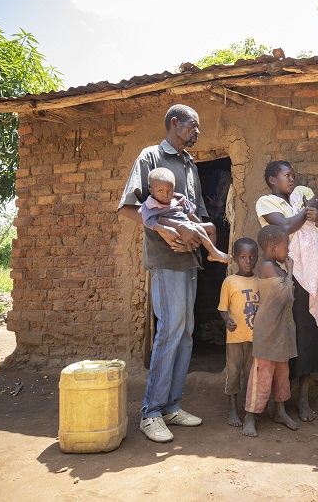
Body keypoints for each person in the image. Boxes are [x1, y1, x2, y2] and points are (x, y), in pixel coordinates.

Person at [116, 104, 206, 443]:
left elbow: (194, 213)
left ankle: (171, 406)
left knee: (186, 332)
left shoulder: (190, 165)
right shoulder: (150, 157)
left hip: (189, 260)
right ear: (174, 123)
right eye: (192, 126)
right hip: (165, 259)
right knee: (170, 328)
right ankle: (151, 413)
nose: (197, 132)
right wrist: (165, 232)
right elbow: (127, 208)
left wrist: (198, 236)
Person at [255, 161, 318, 422]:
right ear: (271, 180)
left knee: (307, 335)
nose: (291, 179)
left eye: (293, 175)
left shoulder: (301, 199)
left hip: (309, 276)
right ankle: (278, 400)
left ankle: (303, 399)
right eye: (285, 175)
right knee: (284, 336)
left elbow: (317, 233)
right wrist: (308, 210)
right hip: (283, 277)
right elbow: (284, 228)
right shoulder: (266, 203)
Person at [243, 225, 300, 437]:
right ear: (273, 247)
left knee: (281, 372)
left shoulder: (275, 265)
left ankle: (280, 411)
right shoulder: (267, 266)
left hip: (281, 329)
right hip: (267, 330)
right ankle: (250, 416)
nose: (289, 250)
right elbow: (286, 294)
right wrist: (291, 269)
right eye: (286, 246)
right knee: (262, 374)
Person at [141, 167, 231, 263]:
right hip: (173, 234)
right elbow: (148, 221)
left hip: (188, 228)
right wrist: (165, 229)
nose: (165, 195)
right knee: (199, 230)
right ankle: (214, 252)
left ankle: (211, 254)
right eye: (160, 191)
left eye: (169, 191)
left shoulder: (178, 199)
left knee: (211, 227)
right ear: (151, 191)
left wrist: (198, 224)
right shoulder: (151, 205)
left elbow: (190, 215)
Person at [218, 237, 259, 426]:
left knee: (252, 373)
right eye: (243, 257)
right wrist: (227, 320)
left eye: (252, 257)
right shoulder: (230, 281)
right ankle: (232, 408)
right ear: (235, 258)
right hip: (235, 338)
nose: (248, 261)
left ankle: (250, 408)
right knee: (234, 373)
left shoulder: (259, 281)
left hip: (255, 338)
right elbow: (222, 307)